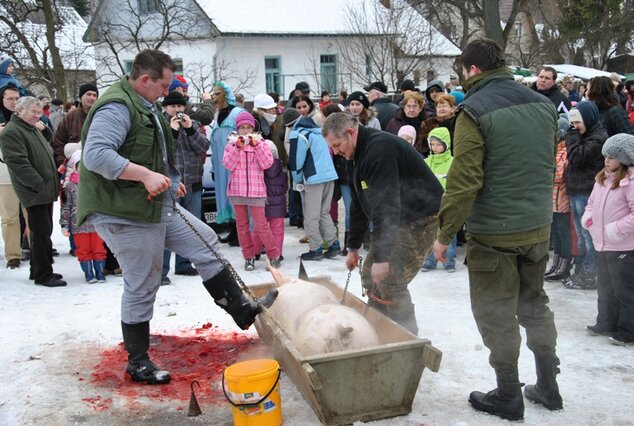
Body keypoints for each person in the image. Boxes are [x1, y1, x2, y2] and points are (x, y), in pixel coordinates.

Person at [77, 49, 268, 385]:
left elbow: (159, 151)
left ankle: (242, 310)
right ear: (145, 79)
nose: (168, 91)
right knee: (143, 282)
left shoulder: (144, 103)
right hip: (124, 210)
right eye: (164, 84)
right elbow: (95, 155)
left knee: (206, 242)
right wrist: (144, 176)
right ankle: (138, 361)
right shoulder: (117, 106)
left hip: (154, 203)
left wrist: (171, 182)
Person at [432, 39, 561, 421]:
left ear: (471, 70)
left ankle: (508, 395)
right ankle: (548, 386)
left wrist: (444, 233)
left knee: (497, 312)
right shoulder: (543, 103)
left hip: (495, 232)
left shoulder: (474, 111)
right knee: (534, 303)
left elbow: (464, 178)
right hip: (538, 224)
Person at [322, 113, 443, 334]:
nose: (336, 151)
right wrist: (353, 247)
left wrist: (383, 258)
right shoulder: (354, 154)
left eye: (337, 145)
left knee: (391, 279)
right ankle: (379, 324)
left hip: (421, 217)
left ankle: (406, 339)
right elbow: (359, 203)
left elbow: (386, 206)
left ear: (350, 133)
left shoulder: (379, 151)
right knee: (369, 273)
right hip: (398, 217)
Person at [0, 96, 66, 287]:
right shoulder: (13, 131)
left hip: (43, 188)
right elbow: (19, 164)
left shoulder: (31, 129)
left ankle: (39, 268)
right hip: (34, 190)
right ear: (19, 110)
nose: (38, 115)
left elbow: (48, 145)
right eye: (33, 112)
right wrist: (39, 184)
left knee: (44, 231)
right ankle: (43, 274)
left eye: (39, 112)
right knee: (39, 232)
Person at [582, 133, 634, 346]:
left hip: (623, 245)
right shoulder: (602, 178)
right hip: (603, 244)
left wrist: (616, 229)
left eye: (612, 157)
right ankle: (605, 321)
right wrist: (589, 219)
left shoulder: (630, 181)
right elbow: (591, 203)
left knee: (624, 290)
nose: (607, 161)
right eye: (605, 156)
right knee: (605, 287)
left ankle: (628, 330)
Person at [160, 90, 209, 283]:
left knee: (190, 225)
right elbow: (162, 152)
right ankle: (161, 271)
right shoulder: (161, 126)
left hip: (193, 181)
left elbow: (203, 147)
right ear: (165, 108)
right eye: (173, 106)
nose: (177, 110)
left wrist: (189, 129)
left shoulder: (193, 123)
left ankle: (184, 264)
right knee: (167, 227)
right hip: (170, 185)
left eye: (180, 106)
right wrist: (171, 132)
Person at [222, 111, 281, 270]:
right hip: (237, 191)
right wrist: (237, 148)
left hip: (256, 191)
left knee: (261, 225)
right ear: (238, 129)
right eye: (242, 128)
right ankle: (248, 257)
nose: (246, 131)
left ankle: (273, 253)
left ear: (254, 129)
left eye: (249, 127)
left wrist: (256, 147)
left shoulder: (262, 144)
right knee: (242, 226)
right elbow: (228, 165)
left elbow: (267, 163)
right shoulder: (231, 145)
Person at [563, 102, 608, 290]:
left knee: (589, 237)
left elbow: (577, 157)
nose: (574, 126)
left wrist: (572, 136)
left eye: (577, 122)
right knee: (580, 237)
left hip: (587, 192)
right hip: (575, 190)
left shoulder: (598, 138)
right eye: (572, 123)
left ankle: (589, 274)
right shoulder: (583, 135)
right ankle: (581, 271)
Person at [288, 114, 340, 260]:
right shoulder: (319, 133)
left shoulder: (300, 135)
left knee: (311, 216)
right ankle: (333, 243)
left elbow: (296, 161)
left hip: (314, 178)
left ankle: (315, 248)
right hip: (329, 176)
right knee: (324, 212)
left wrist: (297, 179)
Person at [60, 150, 107, 283]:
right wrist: (64, 225)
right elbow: (66, 207)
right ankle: (88, 273)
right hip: (78, 225)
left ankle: (100, 272)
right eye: (81, 166)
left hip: (96, 225)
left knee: (99, 249)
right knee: (83, 250)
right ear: (75, 167)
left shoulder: (97, 184)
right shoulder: (69, 187)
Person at [210, 81, 245, 246]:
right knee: (224, 194)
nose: (214, 97)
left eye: (217, 93)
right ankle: (232, 228)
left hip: (235, 164)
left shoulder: (237, 112)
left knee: (236, 195)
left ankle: (241, 231)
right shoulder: (217, 115)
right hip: (220, 164)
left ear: (226, 94)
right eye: (213, 94)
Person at [421, 127, 456, 272]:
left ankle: (449, 260)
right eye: (432, 144)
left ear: (446, 144)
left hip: (447, 203)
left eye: (438, 144)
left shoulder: (453, 162)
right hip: (430, 203)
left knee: (447, 231)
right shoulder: (427, 161)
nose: (435, 147)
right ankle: (430, 260)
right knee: (430, 232)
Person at [544, 115, 574, 282]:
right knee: (555, 232)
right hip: (551, 199)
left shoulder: (565, 150)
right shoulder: (553, 149)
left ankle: (564, 266)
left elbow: (558, 174)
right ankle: (556, 264)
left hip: (562, 199)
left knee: (563, 233)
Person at [252, 141, 288, 263]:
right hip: (279, 206)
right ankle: (278, 253)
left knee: (259, 229)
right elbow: (284, 188)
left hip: (263, 204)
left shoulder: (259, 169)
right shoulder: (282, 170)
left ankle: (255, 252)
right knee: (277, 230)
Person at [0, 86, 22, 269]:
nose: (14, 102)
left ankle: (36, 249)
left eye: (17, 98)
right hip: (5, 174)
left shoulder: (25, 116)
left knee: (34, 216)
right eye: (10, 99)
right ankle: (13, 254)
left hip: (26, 173)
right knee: (9, 217)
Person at [52, 83, 99, 166]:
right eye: (88, 94)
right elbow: (59, 143)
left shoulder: (101, 116)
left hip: (96, 165)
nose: (92, 98)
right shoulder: (70, 117)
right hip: (73, 167)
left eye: (94, 95)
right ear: (81, 97)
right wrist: (63, 163)